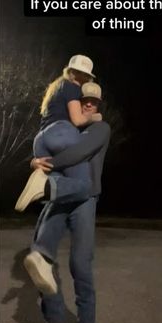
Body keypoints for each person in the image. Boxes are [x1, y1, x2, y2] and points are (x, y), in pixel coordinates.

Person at [24, 88, 111, 323]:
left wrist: (44, 166)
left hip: (85, 198)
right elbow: (45, 150)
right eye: (84, 102)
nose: (88, 107)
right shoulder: (68, 130)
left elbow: (79, 153)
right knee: (41, 260)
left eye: (93, 103)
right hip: (61, 196)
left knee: (80, 264)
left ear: (98, 107)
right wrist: (34, 162)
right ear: (77, 104)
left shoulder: (100, 129)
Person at [15, 54, 102, 212]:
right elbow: (77, 120)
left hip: (41, 141)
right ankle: (45, 186)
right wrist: (94, 117)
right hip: (62, 133)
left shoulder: (56, 87)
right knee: (86, 187)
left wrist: (34, 162)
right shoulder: (72, 87)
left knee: (59, 194)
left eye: (86, 75)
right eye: (81, 74)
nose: (83, 78)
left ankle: (44, 189)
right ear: (72, 72)